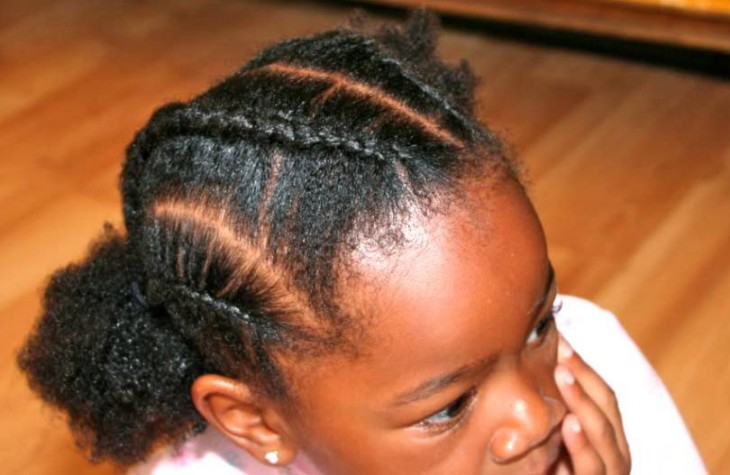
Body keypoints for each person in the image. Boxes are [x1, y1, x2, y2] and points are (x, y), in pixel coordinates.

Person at [17, 11, 705, 475]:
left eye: (535, 325)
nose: (534, 410)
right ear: (255, 421)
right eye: (447, 406)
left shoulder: (595, 367)